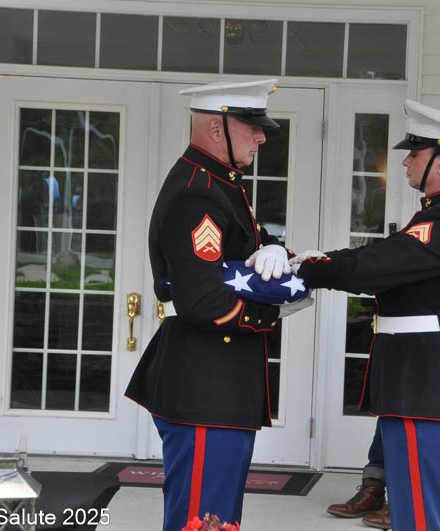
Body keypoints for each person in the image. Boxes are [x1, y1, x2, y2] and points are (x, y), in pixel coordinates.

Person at [293, 99, 440, 531]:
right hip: (421, 382)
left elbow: (374, 267)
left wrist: (306, 268)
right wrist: (315, 260)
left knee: (425, 518)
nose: (405, 161)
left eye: (415, 153)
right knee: (414, 514)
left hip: (427, 387)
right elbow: (384, 256)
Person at [125, 79, 293, 531]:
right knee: (202, 520)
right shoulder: (197, 191)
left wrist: (274, 247)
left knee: (218, 519)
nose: (261, 137)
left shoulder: (221, 184)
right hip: (205, 383)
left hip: (217, 383)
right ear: (217, 129)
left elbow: (241, 249)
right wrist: (274, 311)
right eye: (252, 127)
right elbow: (202, 300)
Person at [328, 249, 440, 530]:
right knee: (395, 414)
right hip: (436, 384)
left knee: (421, 424)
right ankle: (375, 487)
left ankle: (407, 501)